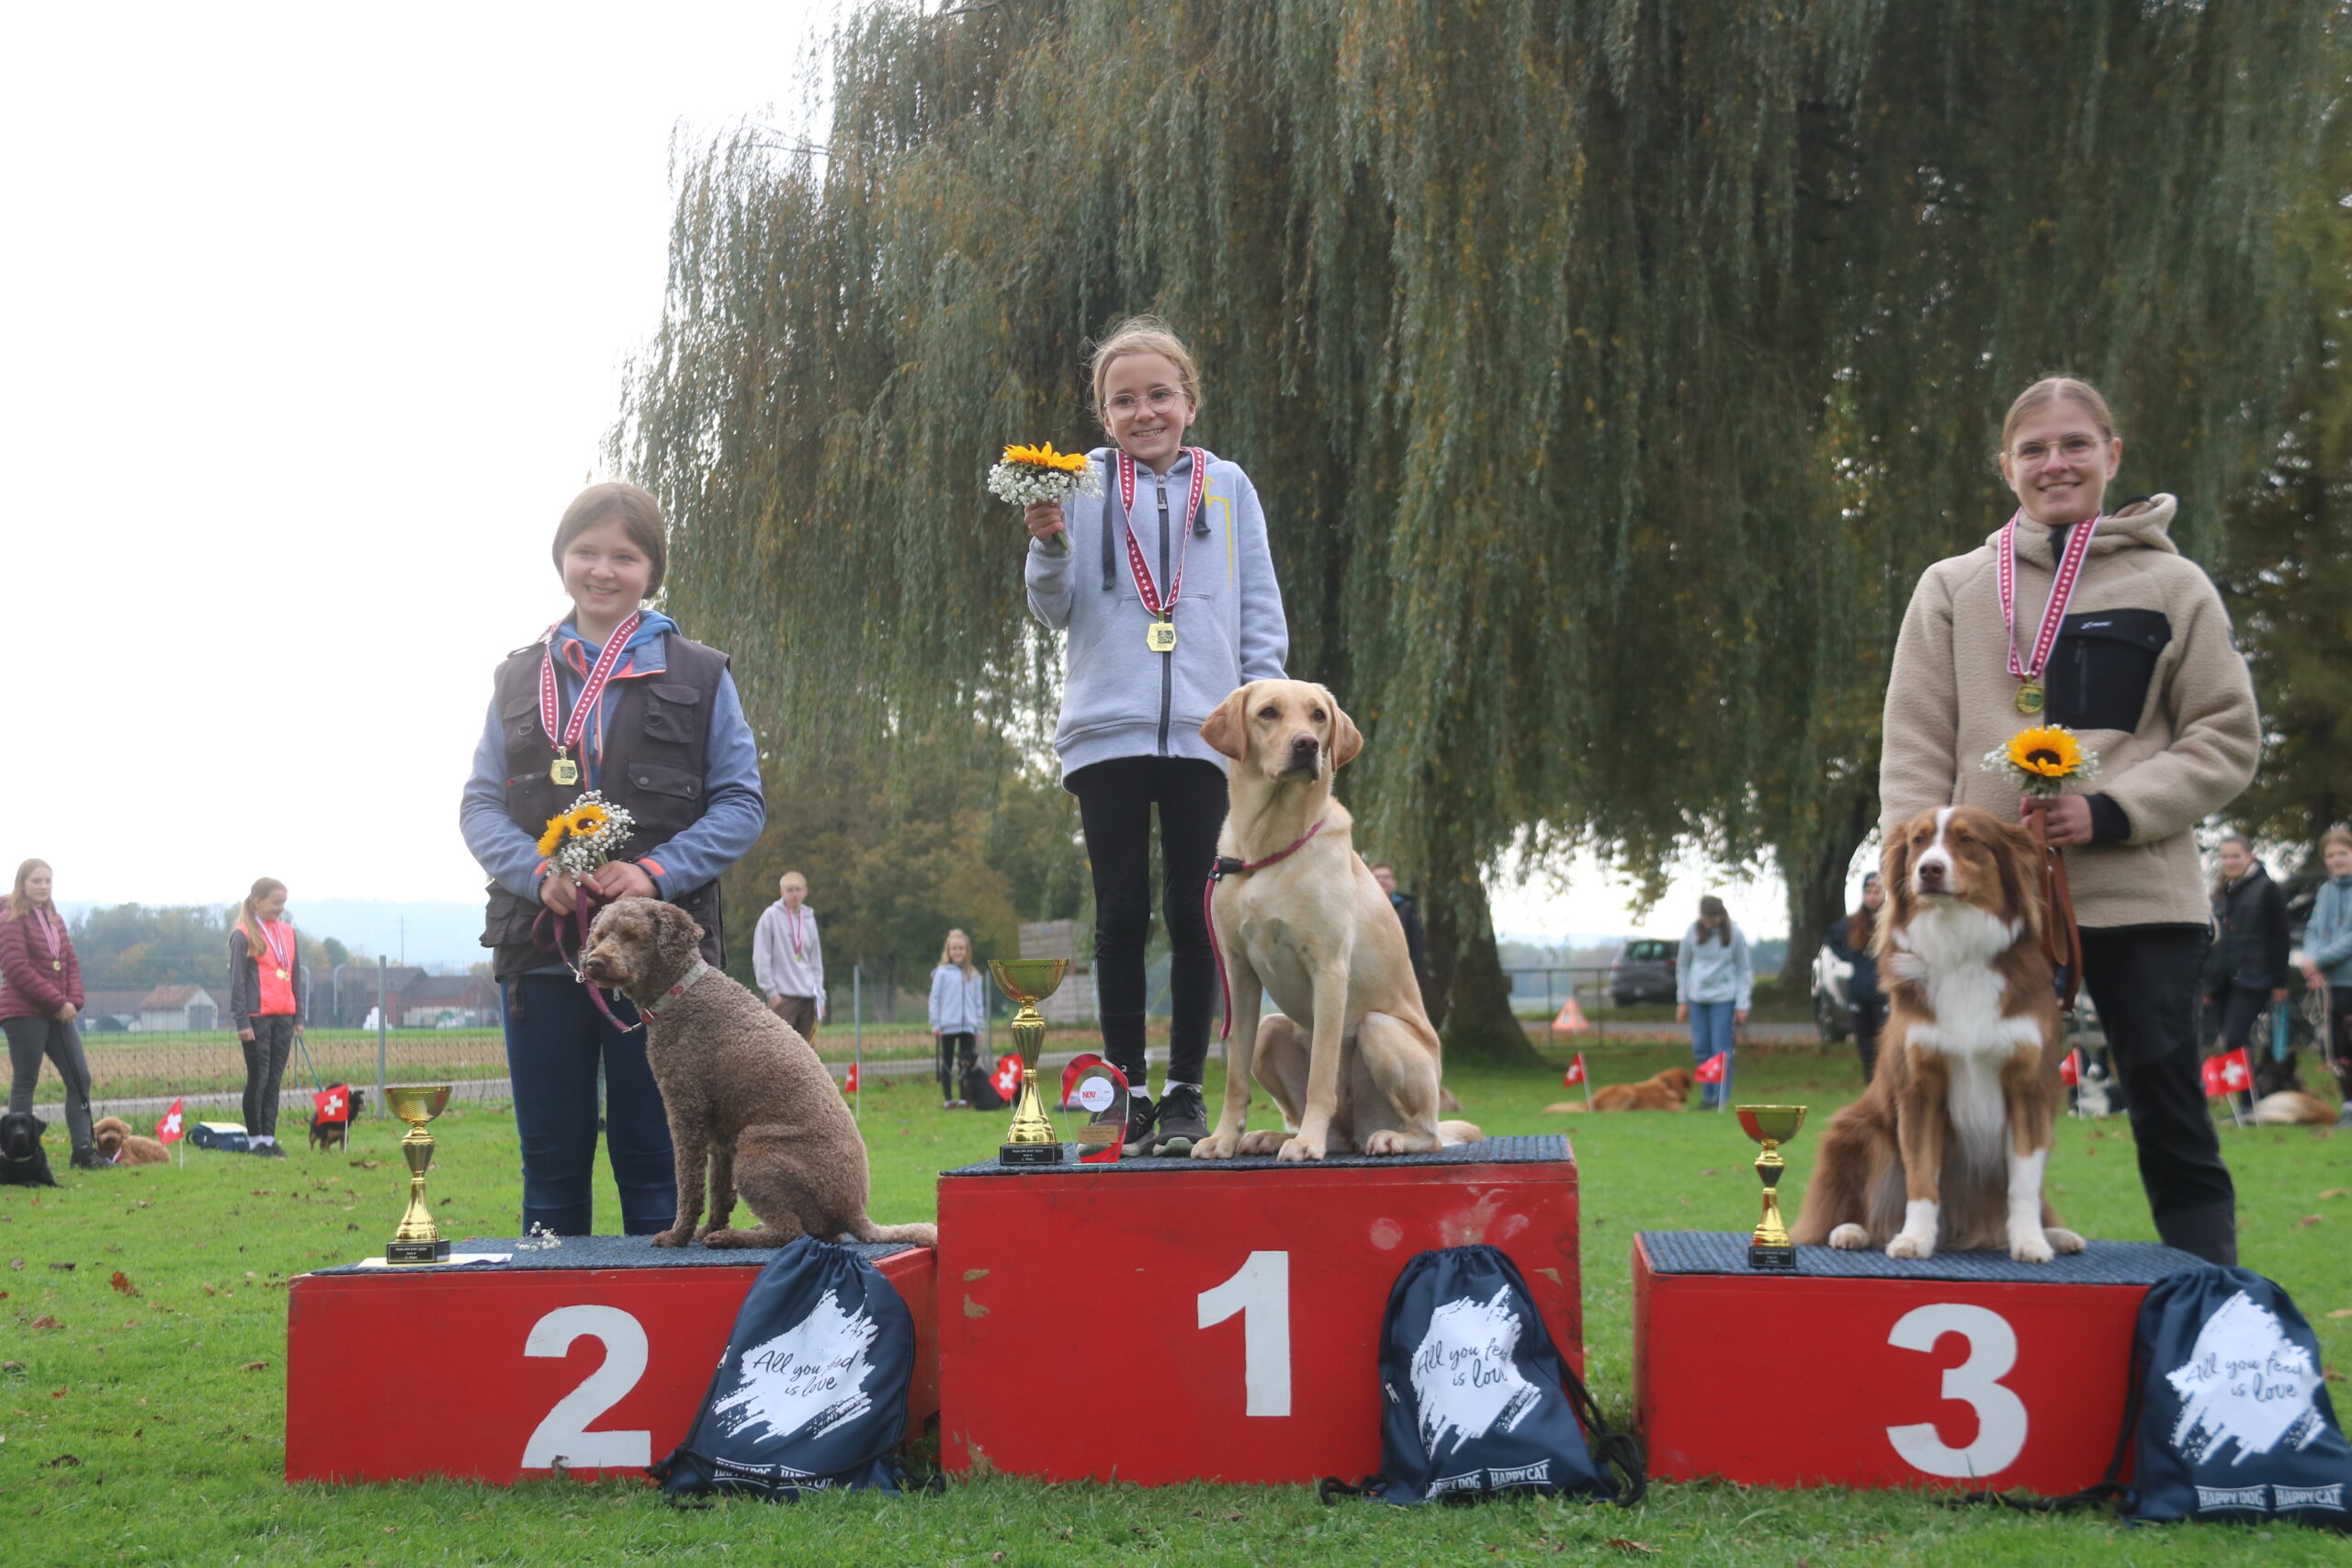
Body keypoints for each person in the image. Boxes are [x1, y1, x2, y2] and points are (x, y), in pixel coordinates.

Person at [1880, 375, 2260, 1266]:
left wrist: (2114, 810)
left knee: (2167, 1103)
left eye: (2075, 444)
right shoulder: (1951, 587)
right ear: (2005, 466)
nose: (2056, 463)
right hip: (1980, 916)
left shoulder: (2174, 585)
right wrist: (1907, 878)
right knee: (1931, 1087)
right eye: (2034, 449)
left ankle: (2212, 1302)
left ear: (2111, 455)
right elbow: (1912, 745)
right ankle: (1947, 1250)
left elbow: (2226, 736)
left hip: (2138, 895)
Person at [460, 481, 765, 1236]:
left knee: (660, 1154)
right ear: (562, 559)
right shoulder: (517, 677)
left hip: (666, 968)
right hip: (541, 953)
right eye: (586, 551)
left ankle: (664, 1337)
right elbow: (478, 807)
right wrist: (538, 874)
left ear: (650, 570)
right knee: (553, 1163)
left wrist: (654, 873)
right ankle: (554, 1343)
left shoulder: (702, 675)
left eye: (623, 556)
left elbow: (741, 804)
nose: (602, 569)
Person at [1022, 316, 1289, 1155]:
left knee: (1198, 909)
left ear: (1190, 401)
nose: (1144, 412)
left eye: (1159, 395)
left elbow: (1258, 607)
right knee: (1122, 912)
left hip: (1210, 733)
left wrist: (1264, 718)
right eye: (1124, 399)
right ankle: (1126, 1093)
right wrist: (1050, 546)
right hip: (1108, 728)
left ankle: (1184, 1094)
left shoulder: (1229, 486)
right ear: (1103, 415)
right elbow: (1052, 606)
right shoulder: (1080, 482)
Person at [1, 860, 96, 1170]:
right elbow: (17, 969)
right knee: (26, 1081)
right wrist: (57, 1002)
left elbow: (69, 963)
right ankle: (18, 1157)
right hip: (24, 1012)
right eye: (36, 881)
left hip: (59, 1013)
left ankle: (83, 1152)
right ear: (22, 884)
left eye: (47, 881)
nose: (43, 887)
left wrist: (73, 1001)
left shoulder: (55, 919)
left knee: (80, 1078)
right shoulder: (12, 918)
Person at [2202, 833, 2290, 1096]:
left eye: (2236, 856)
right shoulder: (2219, 891)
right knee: (2228, 1040)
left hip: (2254, 975)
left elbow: (2279, 936)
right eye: (2225, 856)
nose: (2230, 862)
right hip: (2222, 978)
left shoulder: (2267, 888)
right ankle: (2243, 1099)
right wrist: (2207, 981)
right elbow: (2213, 938)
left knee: (2235, 1035)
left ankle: (2250, 1099)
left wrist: (2280, 980)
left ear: (2249, 856)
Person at [226, 877, 306, 1158]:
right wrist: (242, 1021)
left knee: (274, 1079)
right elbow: (236, 982)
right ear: (257, 901)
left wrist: (299, 1017)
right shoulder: (243, 935)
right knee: (258, 1078)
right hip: (256, 1017)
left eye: (283, 902)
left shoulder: (288, 933)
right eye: (276, 902)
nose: (281, 908)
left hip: (284, 1014)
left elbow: (296, 976)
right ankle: (254, 1140)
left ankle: (270, 1139)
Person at [1676, 896, 1752, 1110]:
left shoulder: (1734, 934)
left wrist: (1742, 1004)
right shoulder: (1692, 932)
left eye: (1713, 919)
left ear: (1720, 916)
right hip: (1697, 998)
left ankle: (1721, 1098)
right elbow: (1683, 967)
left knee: (1721, 1049)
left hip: (1724, 998)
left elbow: (1742, 969)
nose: (1709, 923)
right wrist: (1682, 1000)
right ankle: (1708, 1095)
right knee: (1701, 1048)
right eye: (1706, 919)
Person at [2297, 826, 2352, 1122]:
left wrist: (2319, 960)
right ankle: (2348, 1104)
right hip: (2331, 984)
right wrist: (2309, 961)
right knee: (2335, 1048)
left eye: (2343, 853)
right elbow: (2314, 930)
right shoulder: (2326, 890)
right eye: (2331, 855)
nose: (2336, 859)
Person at [1826, 871, 1886, 1081]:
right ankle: (1870, 1085)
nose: (1873, 896)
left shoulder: (1892, 920)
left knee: (1884, 1044)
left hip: (1884, 995)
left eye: (1877, 892)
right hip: (1860, 994)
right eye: (1869, 892)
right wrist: (1848, 956)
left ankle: (1885, 1084)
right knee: (1865, 1044)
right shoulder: (1852, 924)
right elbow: (1832, 938)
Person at [752, 871, 826, 1041]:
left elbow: (816, 962)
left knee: (808, 1053)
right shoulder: (770, 916)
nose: (794, 894)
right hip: (783, 998)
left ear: (805, 892)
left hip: (808, 998)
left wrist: (820, 996)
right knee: (781, 1050)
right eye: (790, 890)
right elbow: (761, 956)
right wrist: (772, 993)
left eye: (798, 889)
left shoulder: (809, 918)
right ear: (781, 892)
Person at [929, 930, 989, 1110]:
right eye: (954, 948)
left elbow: (978, 1002)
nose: (957, 952)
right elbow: (935, 998)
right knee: (946, 1061)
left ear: (966, 950)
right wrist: (936, 1023)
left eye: (961, 948)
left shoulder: (973, 974)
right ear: (948, 951)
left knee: (967, 1064)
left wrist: (978, 1025)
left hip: (968, 1026)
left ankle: (965, 1098)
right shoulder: (941, 973)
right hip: (947, 1025)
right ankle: (948, 1098)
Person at [1371, 863, 1431, 1003]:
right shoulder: (1359, 907)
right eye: (1377, 877)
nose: (1381, 881)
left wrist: (1414, 977)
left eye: (1386, 877)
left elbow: (1416, 945)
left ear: (1394, 882)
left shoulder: (1407, 908)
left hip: (1399, 977)